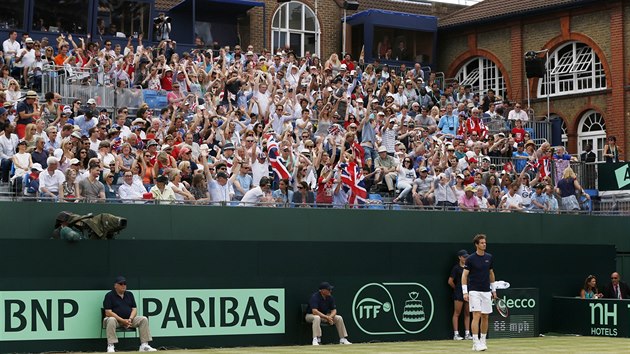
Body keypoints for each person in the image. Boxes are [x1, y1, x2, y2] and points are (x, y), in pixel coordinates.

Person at [103, 276, 157, 352]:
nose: (123, 285)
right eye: (121, 284)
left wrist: (130, 319)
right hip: (116, 321)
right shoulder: (109, 295)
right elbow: (108, 312)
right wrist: (122, 320)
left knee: (143, 319)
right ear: (115, 286)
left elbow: (134, 309)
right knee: (111, 319)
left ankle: (144, 345)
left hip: (129, 320)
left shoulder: (129, 294)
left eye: (124, 284)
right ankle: (111, 345)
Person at [462, 234, 496, 352]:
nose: (484, 244)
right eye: (481, 243)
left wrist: (494, 290)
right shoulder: (470, 259)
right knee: (476, 315)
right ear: (477, 244)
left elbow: (491, 274)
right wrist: (465, 292)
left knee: (485, 316)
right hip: (474, 291)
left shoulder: (489, 257)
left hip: (486, 291)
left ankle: (483, 341)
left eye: (485, 242)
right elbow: (464, 275)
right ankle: (475, 342)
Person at [305, 282, 351, 346]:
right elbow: (314, 311)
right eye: (328, 289)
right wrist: (327, 317)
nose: (330, 291)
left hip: (324, 316)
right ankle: (316, 339)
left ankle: (343, 339)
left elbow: (334, 310)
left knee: (339, 318)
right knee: (317, 317)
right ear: (322, 290)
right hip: (310, 316)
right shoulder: (314, 297)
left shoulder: (330, 297)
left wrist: (330, 317)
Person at [448, 249, 472, 341]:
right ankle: (456, 334)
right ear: (459, 257)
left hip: (468, 292)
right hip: (458, 293)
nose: (465, 258)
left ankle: (467, 334)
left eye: (467, 257)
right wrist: (457, 288)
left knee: (467, 313)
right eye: (464, 257)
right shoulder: (456, 268)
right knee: (457, 313)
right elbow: (450, 281)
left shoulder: (469, 267)